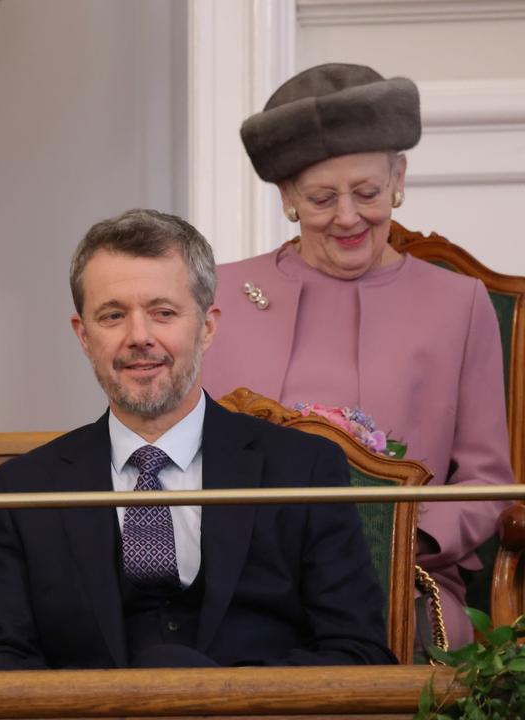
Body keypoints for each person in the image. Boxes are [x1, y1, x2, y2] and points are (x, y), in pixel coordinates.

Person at [0, 209, 394, 670]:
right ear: (83, 336)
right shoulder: (25, 487)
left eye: (163, 313)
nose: (139, 337)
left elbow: (358, 653)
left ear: (207, 327)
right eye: (112, 316)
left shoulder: (304, 469)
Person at [200, 63, 513, 650]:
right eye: (322, 197)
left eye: (367, 193)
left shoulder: (459, 303)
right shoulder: (219, 296)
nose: (347, 217)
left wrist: (401, 544)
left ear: (398, 177)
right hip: (242, 587)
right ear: (288, 196)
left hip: (403, 587)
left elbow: (486, 478)